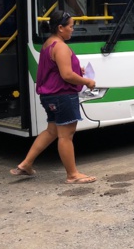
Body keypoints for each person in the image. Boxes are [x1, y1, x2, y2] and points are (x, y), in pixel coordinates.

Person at [10, 10, 97, 184]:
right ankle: (72, 175)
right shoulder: (61, 47)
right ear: (60, 27)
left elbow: (56, 69)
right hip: (63, 95)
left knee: (52, 131)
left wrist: (75, 70)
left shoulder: (48, 43)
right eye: (71, 26)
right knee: (66, 135)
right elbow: (66, 75)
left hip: (49, 96)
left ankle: (26, 164)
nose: (72, 29)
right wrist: (87, 81)